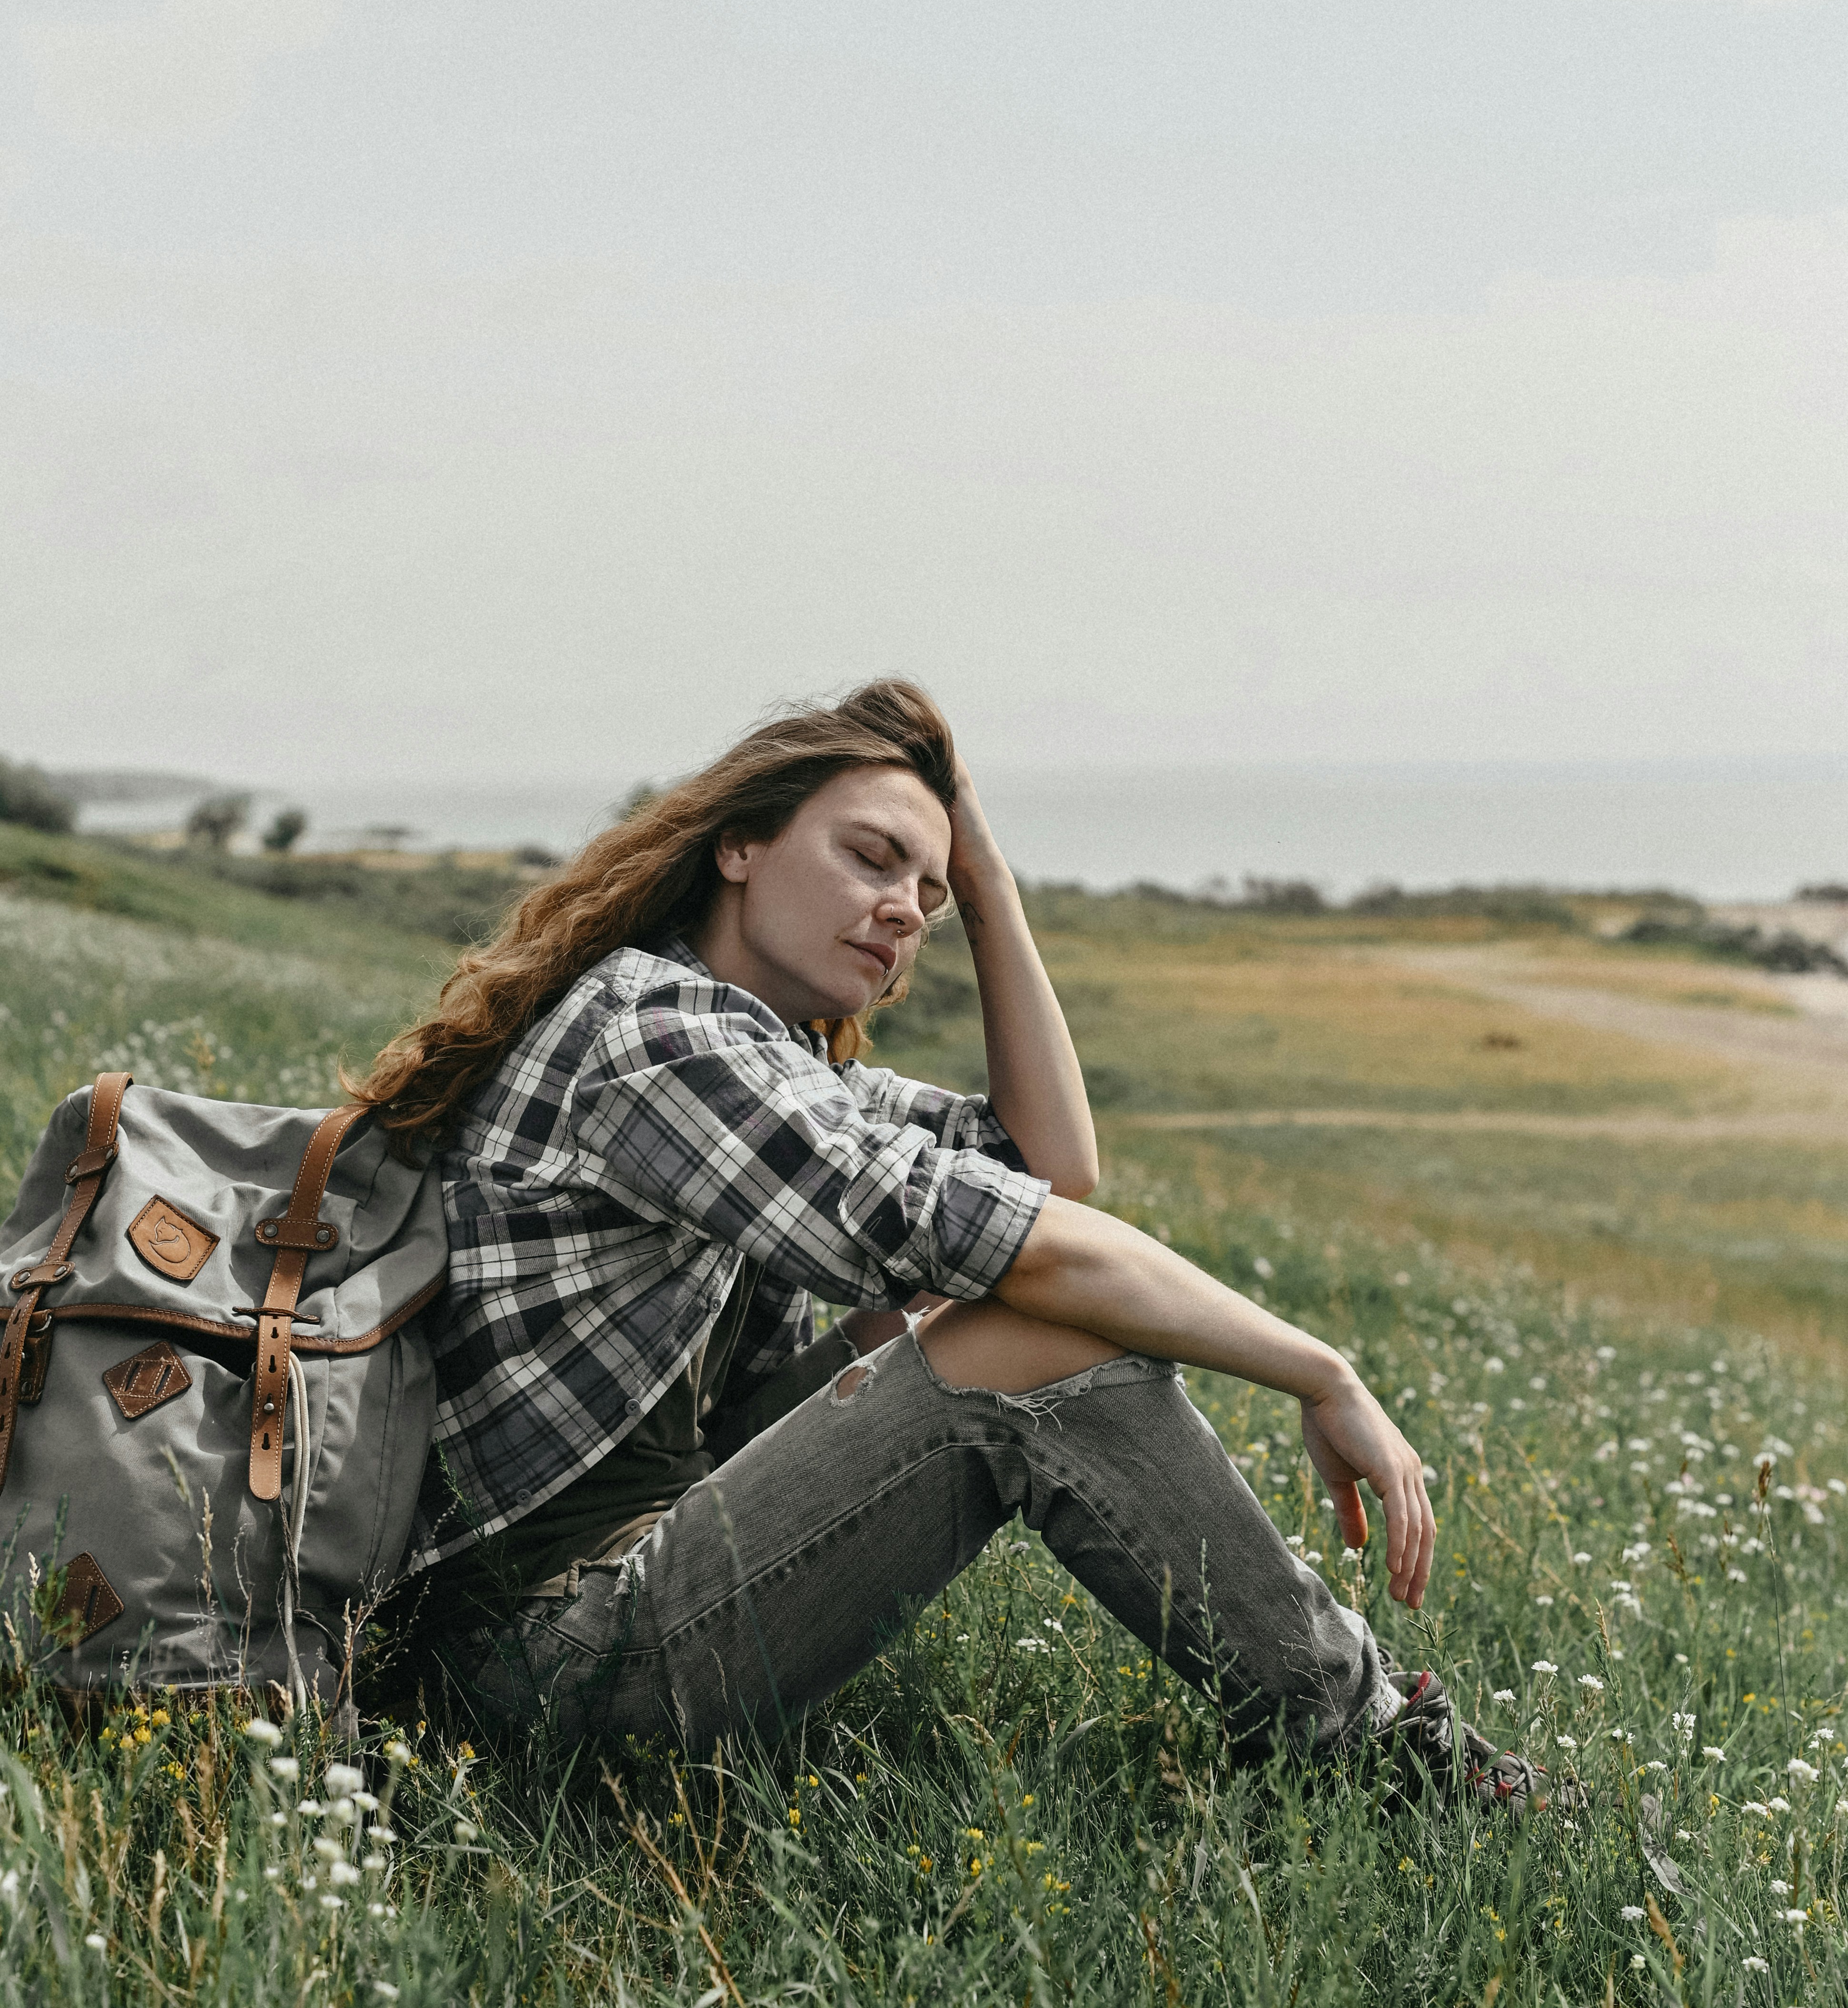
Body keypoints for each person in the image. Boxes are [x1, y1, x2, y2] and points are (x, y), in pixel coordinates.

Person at [358, 680, 1544, 1809]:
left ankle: (1360, 1726)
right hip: (539, 1659)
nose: (901, 909)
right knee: (1025, 1328)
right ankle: (1370, 1745)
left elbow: (1046, 1167)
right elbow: (1030, 1242)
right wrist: (1322, 1370)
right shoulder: (657, 1037)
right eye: (870, 857)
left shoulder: (769, 1051)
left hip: (626, 1564)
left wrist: (988, 884)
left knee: (1007, 1304)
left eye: (925, 893)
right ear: (741, 845)